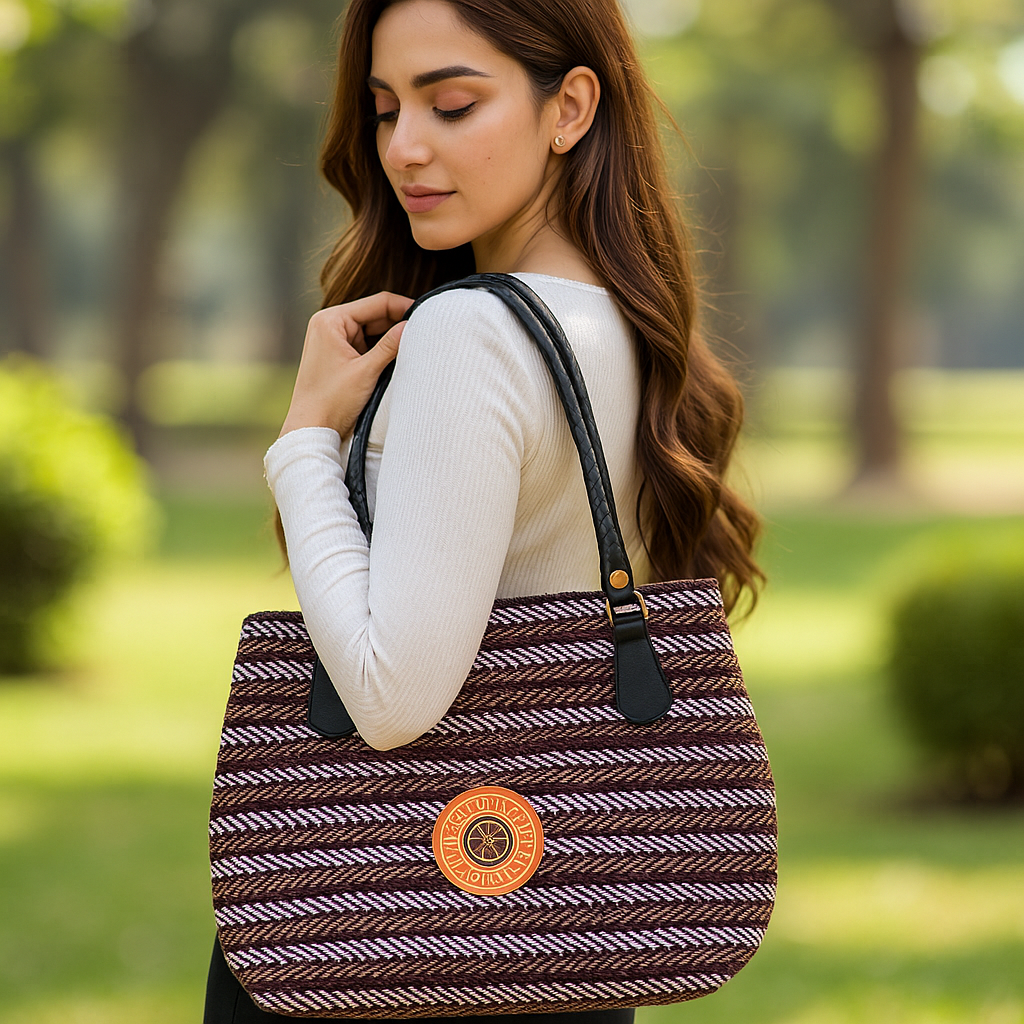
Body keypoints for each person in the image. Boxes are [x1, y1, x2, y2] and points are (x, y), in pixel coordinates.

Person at [203, 0, 764, 1019]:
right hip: (576, 935)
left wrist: (301, 447)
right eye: (382, 111)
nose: (404, 149)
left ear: (571, 107)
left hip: (383, 931)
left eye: (452, 104)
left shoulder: (472, 334)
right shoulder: (625, 327)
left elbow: (387, 693)